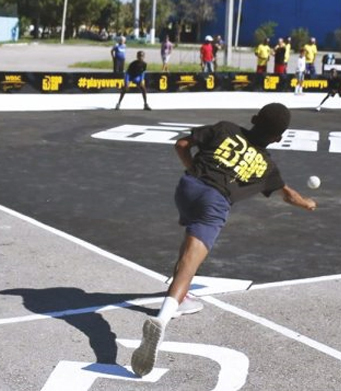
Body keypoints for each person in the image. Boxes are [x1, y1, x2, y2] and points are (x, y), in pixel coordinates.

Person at [130, 103, 317, 378]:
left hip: (187, 187)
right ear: (279, 138)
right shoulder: (267, 167)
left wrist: (196, 172)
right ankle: (162, 317)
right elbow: (287, 194)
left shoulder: (225, 129)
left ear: (254, 119)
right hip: (214, 203)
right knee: (189, 264)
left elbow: (181, 145)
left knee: (187, 247)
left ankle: (180, 298)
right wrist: (308, 204)